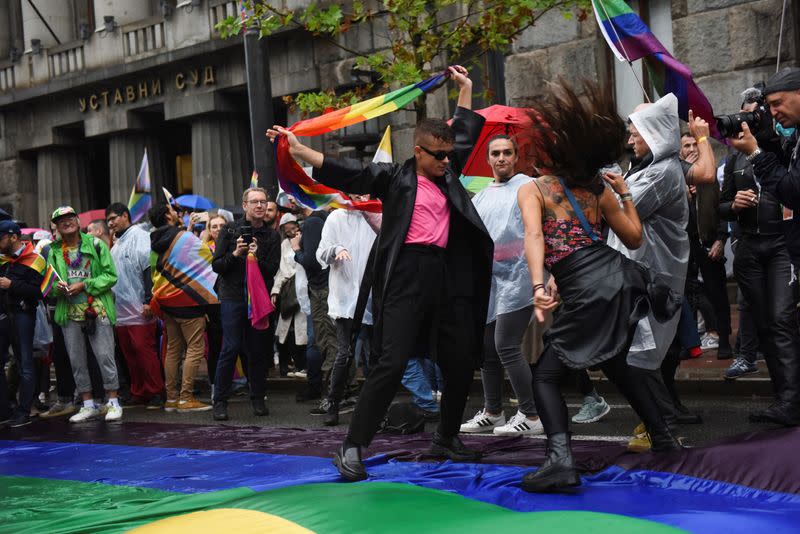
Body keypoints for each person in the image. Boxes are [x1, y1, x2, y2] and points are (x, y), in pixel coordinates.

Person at [268, 65, 494, 482]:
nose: (448, 161)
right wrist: (300, 152)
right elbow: (349, 171)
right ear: (418, 151)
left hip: (444, 276)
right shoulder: (394, 178)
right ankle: (352, 446)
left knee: (460, 360)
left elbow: (463, 132)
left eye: (449, 155)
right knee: (390, 363)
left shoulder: (447, 175)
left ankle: (445, 437)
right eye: (439, 155)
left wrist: (466, 87)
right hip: (405, 275)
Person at [517, 81, 681, 494]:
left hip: (590, 289)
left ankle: (560, 462)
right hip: (621, 279)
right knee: (617, 363)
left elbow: (536, 238)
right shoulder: (598, 190)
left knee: (545, 376)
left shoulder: (534, 189)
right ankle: (663, 438)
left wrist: (538, 283)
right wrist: (624, 196)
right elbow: (634, 240)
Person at [606, 94, 692, 445]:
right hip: (637, 274)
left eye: (635, 133)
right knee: (634, 351)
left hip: (650, 276)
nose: (629, 140)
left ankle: (663, 425)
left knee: (639, 352)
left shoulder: (661, 173)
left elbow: (618, 208)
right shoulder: (646, 169)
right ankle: (656, 423)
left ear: (654, 133)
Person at [731, 68, 800, 425]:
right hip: (752, 246)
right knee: (768, 324)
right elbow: (721, 203)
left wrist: (757, 152)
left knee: (781, 320)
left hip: (781, 247)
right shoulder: (784, 139)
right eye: (765, 108)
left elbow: (791, 190)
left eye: (776, 104)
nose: (772, 113)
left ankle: (791, 401)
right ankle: (785, 400)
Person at [461, 135, 543, 436]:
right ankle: (493, 411)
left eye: (507, 152)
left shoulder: (529, 186)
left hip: (520, 277)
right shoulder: (481, 194)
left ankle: (532, 414)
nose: (501, 158)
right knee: (487, 349)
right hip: (490, 280)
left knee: (506, 344)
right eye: (495, 153)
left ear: (516, 156)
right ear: (487, 159)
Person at [47, 206, 122, 423]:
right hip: (68, 312)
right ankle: (88, 404)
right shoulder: (53, 251)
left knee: (105, 356)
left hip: (96, 309)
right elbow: (48, 285)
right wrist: (57, 288)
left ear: (78, 222)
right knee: (77, 360)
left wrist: (85, 285)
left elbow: (110, 276)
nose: (66, 222)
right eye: (61, 220)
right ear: (56, 227)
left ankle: (113, 402)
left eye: (70, 218)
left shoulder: (97, 245)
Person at [211, 187, 281, 420]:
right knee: (230, 348)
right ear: (244, 206)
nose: (260, 206)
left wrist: (257, 256)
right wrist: (236, 253)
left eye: (263, 202)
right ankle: (220, 401)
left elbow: (272, 270)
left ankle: (258, 398)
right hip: (232, 295)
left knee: (257, 350)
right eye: (254, 202)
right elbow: (217, 265)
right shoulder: (230, 230)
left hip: (257, 299)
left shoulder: (272, 236)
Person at [315, 199, 377, 426]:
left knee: (375, 354)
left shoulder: (376, 215)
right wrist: (336, 249)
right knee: (345, 352)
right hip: (346, 296)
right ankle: (332, 401)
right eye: (356, 194)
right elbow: (321, 252)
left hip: (372, 295)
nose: (360, 199)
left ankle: (374, 405)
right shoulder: (336, 217)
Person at [149, 204, 215, 413]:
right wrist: (202, 236)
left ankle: (171, 398)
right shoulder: (184, 238)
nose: (176, 212)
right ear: (168, 215)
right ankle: (186, 398)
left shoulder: (154, 240)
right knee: (195, 348)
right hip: (188, 299)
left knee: (173, 350)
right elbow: (206, 255)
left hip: (166, 300)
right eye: (172, 209)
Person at [105, 203, 164, 409]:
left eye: (113, 218)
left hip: (140, 307)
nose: (110, 223)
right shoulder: (117, 242)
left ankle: (155, 392)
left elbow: (148, 268)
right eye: (108, 220)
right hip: (121, 310)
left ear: (125, 216)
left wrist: (148, 300)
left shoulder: (139, 235)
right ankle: (139, 392)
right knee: (129, 353)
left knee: (144, 351)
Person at [680, 129, 732, 358]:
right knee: (689, 294)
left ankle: (724, 340)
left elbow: (722, 209)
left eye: (694, 145)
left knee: (717, 292)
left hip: (710, 242)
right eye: (686, 146)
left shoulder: (709, 174)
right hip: (686, 245)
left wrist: (721, 239)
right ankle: (691, 343)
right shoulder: (675, 175)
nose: (691, 150)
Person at [0, 220, 45, 427]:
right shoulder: (5, 260)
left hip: (24, 315)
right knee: (14, 363)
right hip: (6, 315)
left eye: (1, 238)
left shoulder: (35, 259)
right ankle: (7, 409)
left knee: (26, 363)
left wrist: (12, 285)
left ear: (13, 237)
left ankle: (24, 411)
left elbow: (40, 292)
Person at [291, 208, 337, 405]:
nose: (290, 199)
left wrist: (296, 251)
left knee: (327, 343)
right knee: (335, 341)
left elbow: (312, 261)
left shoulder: (313, 222)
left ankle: (332, 397)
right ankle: (342, 392)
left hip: (321, 291)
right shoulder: (329, 218)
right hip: (332, 288)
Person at [271, 213, 307, 378]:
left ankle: (303, 365)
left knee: (303, 330)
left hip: (304, 288)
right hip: (288, 291)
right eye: (288, 230)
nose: (292, 232)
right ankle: (285, 365)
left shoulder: (305, 239)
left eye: (293, 227)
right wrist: (275, 290)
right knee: (284, 328)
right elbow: (281, 269)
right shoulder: (284, 244)